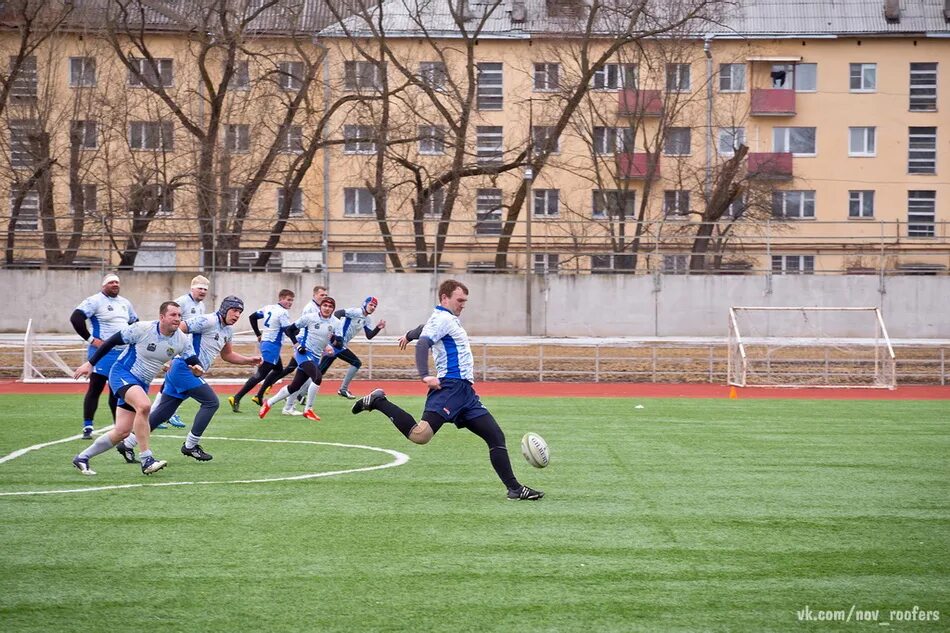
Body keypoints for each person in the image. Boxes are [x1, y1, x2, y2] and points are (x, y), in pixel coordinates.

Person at [351, 280, 544, 501]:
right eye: (459, 300)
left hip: (466, 394)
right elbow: (424, 343)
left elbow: (423, 330)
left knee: (495, 435)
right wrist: (425, 375)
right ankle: (378, 402)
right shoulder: (442, 318)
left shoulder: (446, 320)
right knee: (420, 435)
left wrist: (408, 334)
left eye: (465, 301)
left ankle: (514, 489)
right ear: (444, 298)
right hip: (449, 388)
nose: (463, 304)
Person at [116, 296, 261, 464]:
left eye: (240, 312)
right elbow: (180, 328)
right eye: (234, 310)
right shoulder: (207, 320)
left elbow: (227, 355)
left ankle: (127, 443)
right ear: (224, 309)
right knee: (211, 402)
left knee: (163, 412)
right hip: (183, 369)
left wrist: (249, 360)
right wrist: (168, 352)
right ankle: (191, 445)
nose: (237, 315)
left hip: (186, 372)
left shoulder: (227, 331)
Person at [71, 301, 195, 476]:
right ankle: (147, 459)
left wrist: (197, 368)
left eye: (179, 315)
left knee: (122, 431)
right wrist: (90, 363)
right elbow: (111, 341)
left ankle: (82, 457)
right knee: (144, 406)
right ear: (162, 317)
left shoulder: (181, 339)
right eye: (173, 315)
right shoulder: (142, 328)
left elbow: (192, 360)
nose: (177, 318)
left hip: (141, 384)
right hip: (122, 373)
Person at [70, 273, 139, 439]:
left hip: (122, 353)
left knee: (117, 391)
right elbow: (76, 318)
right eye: (111, 282)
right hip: (102, 353)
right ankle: (88, 426)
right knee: (96, 387)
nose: (115, 284)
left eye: (117, 281)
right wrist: (91, 339)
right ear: (104, 285)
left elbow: (135, 322)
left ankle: (119, 427)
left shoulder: (124, 303)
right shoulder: (94, 301)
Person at [259, 296, 339, 421]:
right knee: (317, 377)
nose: (327, 308)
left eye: (330, 307)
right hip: (304, 353)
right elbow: (290, 330)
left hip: (316, 356)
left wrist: (331, 345)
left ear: (333, 309)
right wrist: (297, 345)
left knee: (295, 387)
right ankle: (308, 410)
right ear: (320, 306)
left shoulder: (336, 322)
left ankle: (269, 403)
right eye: (325, 305)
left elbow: (337, 340)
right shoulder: (310, 317)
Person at [154, 274, 211, 429]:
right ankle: (158, 414)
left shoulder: (202, 306)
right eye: (200, 288)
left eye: (205, 289)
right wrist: (167, 356)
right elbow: (166, 324)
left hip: (187, 350)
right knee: (173, 383)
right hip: (177, 349)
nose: (203, 291)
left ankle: (162, 414)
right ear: (192, 288)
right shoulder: (182, 302)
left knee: (170, 384)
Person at [228, 289, 295, 413]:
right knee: (261, 374)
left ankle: (259, 396)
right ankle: (237, 397)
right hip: (272, 346)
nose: (290, 303)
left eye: (292, 300)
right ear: (281, 299)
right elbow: (287, 330)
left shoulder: (269, 307)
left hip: (266, 343)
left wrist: (258, 334)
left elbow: (252, 317)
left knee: (278, 370)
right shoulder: (283, 312)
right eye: (288, 300)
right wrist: (297, 341)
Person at [319, 296, 386, 399]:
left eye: (375, 306)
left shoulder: (367, 319)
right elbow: (338, 313)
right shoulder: (356, 311)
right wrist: (335, 332)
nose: (372, 307)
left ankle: (298, 392)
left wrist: (378, 328)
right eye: (371, 305)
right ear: (365, 304)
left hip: (340, 345)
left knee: (319, 371)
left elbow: (369, 335)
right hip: (337, 344)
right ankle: (343, 389)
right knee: (356, 362)